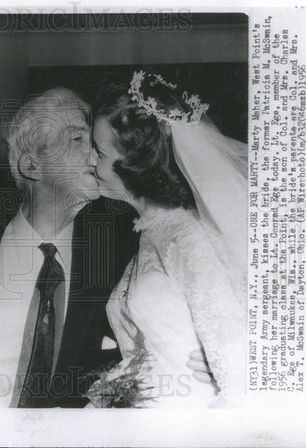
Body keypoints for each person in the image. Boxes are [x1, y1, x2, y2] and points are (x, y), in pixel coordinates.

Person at [0, 87, 213, 408]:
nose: (95, 155)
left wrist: (215, 359)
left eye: (96, 144)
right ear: (31, 166)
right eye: (77, 140)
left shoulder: (124, 255)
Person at [87, 71, 247, 408]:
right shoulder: (150, 230)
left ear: (136, 163)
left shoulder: (188, 239)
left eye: (100, 152)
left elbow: (239, 382)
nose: (91, 161)